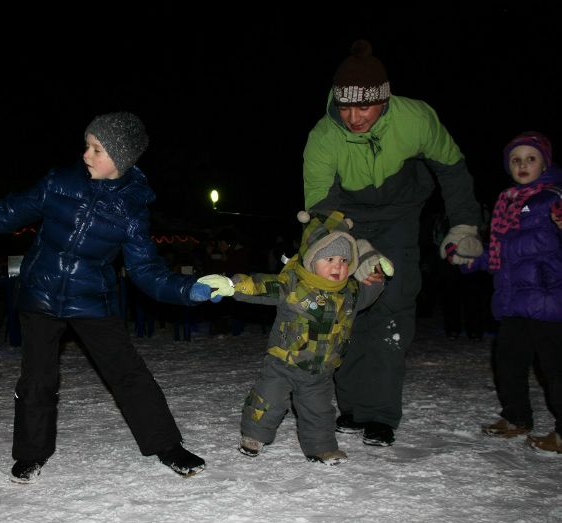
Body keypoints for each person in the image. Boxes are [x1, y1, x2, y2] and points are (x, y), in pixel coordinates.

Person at [0, 111, 232, 481]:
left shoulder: (131, 211)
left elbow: (146, 271)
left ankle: (167, 445)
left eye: (97, 149)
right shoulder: (59, 182)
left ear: (119, 160)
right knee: (38, 378)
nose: (86, 154)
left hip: (92, 298)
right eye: (87, 145)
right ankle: (31, 453)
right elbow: (9, 210)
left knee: (127, 372)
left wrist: (189, 289)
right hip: (41, 293)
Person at [302, 40, 483, 447]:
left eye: (364, 107)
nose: (353, 117)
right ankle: (351, 407)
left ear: (383, 99)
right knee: (347, 308)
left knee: (392, 308)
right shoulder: (323, 136)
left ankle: (380, 414)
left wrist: (465, 225)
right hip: (346, 220)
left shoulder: (415, 119)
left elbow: (452, 169)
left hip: (400, 216)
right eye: (346, 107)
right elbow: (319, 205)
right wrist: (355, 247)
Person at [230, 210, 391, 465]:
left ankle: (321, 447)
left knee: (318, 411)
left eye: (343, 260)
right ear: (311, 260)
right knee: (268, 401)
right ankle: (254, 435)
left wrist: (375, 277)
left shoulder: (348, 293)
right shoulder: (293, 285)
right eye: (329, 259)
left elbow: (368, 294)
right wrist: (235, 285)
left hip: (320, 369)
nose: (337, 266)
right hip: (283, 362)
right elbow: (262, 286)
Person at [459, 132, 562, 454]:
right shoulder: (508, 201)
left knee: (555, 369)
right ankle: (517, 416)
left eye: (530, 158)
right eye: (516, 160)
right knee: (508, 361)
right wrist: (470, 261)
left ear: (544, 163)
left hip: (548, 300)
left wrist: (499, 248)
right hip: (515, 300)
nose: (522, 165)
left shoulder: (552, 198)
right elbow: (500, 256)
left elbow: (538, 244)